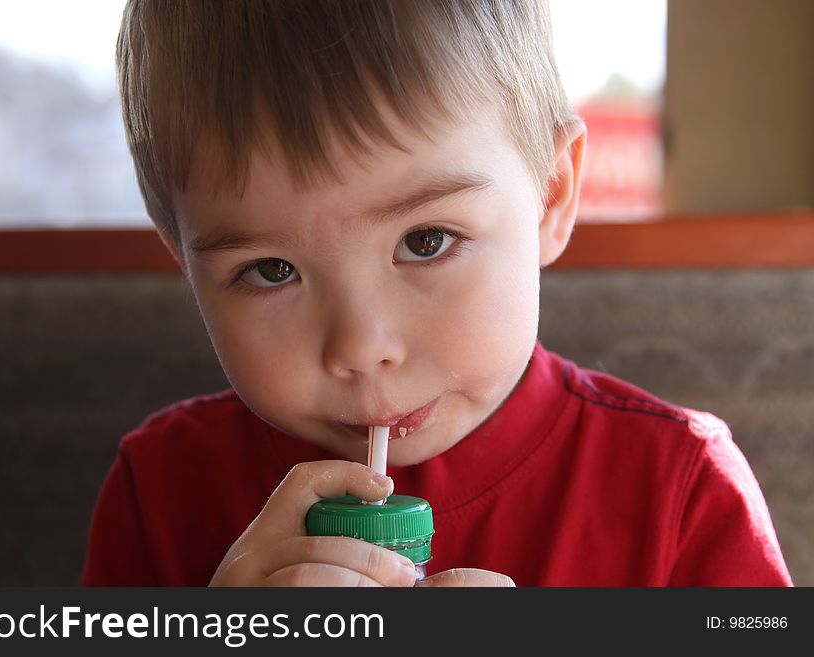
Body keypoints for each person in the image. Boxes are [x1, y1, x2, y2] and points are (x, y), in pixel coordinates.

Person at [81, 0, 792, 586]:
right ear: (183, 261)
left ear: (550, 197)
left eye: (426, 240)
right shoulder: (161, 490)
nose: (362, 348)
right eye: (271, 270)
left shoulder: (680, 488)